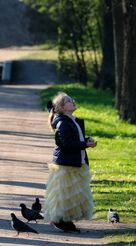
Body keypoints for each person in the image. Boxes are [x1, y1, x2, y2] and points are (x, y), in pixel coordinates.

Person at [44, 92, 97, 233]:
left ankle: (66, 220)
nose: (72, 101)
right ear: (62, 107)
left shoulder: (72, 120)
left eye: (71, 100)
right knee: (64, 193)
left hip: (75, 161)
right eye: (68, 101)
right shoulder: (62, 122)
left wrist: (86, 140)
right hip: (66, 163)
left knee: (73, 194)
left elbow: (76, 138)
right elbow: (66, 144)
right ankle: (59, 220)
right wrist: (85, 144)